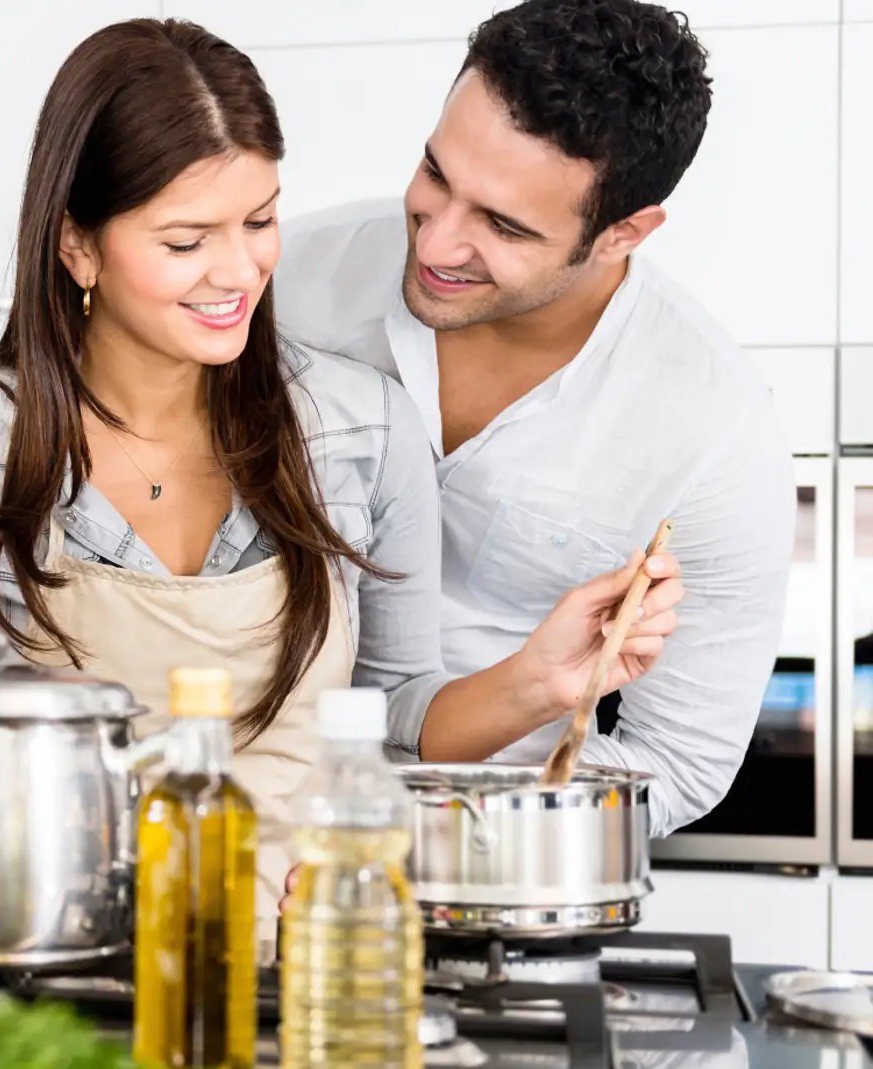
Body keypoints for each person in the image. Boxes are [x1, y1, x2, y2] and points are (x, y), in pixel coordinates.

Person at [0, 17, 683, 932]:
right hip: (44, 978)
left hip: (295, 973)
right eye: (187, 239)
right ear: (79, 248)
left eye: (260, 219)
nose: (237, 271)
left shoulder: (359, 429)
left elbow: (393, 722)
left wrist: (539, 680)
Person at [272, 0, 793, 838]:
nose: (437, 244)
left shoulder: (713, 429)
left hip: (508, 880)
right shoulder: (283, 285)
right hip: (248, 823)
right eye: (436, 175)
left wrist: (469, 831)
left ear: (624, 232)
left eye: (503, 225)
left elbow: (682, 760)